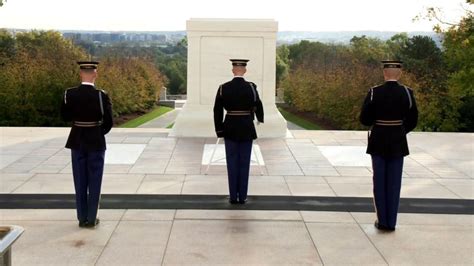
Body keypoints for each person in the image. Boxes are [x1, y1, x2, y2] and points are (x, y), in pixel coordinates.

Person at [360, 60, 418, 231]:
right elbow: (413, 120)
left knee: (379, 181)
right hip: (397, 141)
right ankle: (391, 222)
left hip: (378, 139)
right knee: (394, 182)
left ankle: (383, 221)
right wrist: (400, 130)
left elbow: (364, 120)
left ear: (384, 73)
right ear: (399, 73)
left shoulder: (374, 92)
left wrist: (379, 123)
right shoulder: (407, 93)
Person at [61, 61, 113, 228]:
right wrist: (97, 131)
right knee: (95, 179)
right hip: (96, 140)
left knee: (80, 179)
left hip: (77, 139)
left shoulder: (69, 94)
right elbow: (109, 122)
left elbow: (65, 117)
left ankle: (81, 217)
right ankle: (91, 218)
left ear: (80, 74)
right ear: (95, 74)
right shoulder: (101, 95)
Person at [213, 59, 264, 204]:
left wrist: (219, 129)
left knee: (232, 162)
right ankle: (242, 196)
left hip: (229, 127)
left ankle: (233, 197)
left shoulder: (223, 88)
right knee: (244, 162)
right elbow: (257, 104)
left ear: (233, 70)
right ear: (245, 70)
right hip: (247, 127)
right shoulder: (251, 87)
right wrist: (259, 117)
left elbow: (217, 111)